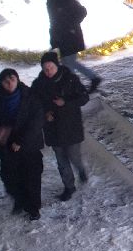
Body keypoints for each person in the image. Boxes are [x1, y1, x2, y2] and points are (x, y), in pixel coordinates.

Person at [32, 52, 90, 201]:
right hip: (53, 129)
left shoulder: (70, 79)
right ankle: (69, 187)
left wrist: (66, 103)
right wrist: (45, 114)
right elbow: (34, 104)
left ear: (56, 66)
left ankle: (80, 169)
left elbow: (84, 97)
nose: (48, 71)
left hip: (71, 127)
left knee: (73, 156)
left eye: (51, 67)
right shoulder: (39, 84)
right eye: (45, 69)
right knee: (61, 161)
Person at [0, 68, 41, 205]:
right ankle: (19, 200)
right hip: (6, 148)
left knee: (31, 176)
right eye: (6, 81)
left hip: (27, 145)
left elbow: (36, 122)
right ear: (1, 83)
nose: (10, 84)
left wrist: (20, 140)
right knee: (9, 177)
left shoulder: (29, 96)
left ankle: (33, 208)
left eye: (12, 80)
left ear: (17, 80)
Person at [39, 0, 101, 93]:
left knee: (69, 63)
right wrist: (54, 40)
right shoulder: (51, 0)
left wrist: (71, 27)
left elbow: (81, 12)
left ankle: (77, 86)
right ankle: (83, 82)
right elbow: (54, 22)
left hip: (70, 37)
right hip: (62, 37)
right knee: (67, 63)